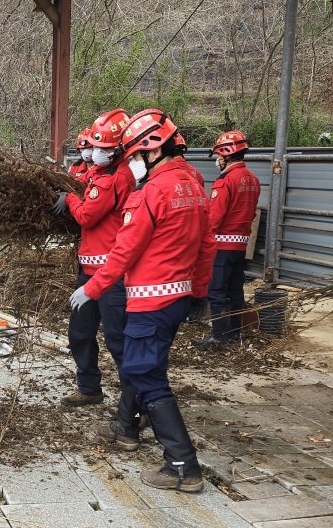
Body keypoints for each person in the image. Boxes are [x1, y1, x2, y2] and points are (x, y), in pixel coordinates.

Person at [71, 109, 215, 492]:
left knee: (144, 374)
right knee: (144, 370)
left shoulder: (151, 193)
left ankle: (182, 465)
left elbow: (124, 251)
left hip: (150, 301)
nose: (131, 163)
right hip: (177, 299)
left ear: (153, 151)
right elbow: (207, 246)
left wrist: (92, 289)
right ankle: (130, 429)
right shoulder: (195, 186)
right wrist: (199, 292)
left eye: (133, 156)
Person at [51, 109, 134, 407]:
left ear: (119, 150)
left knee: (118, 340)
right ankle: (89, 388)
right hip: (89, 269)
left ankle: (134, 405)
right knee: (80, 332)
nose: (95, 153)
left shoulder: (114, 179)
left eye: (103, 149)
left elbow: (87, 215)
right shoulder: (105, 173)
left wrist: (69, 198)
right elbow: (88, 181)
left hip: (110, 275)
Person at [196, 130, 260, 346]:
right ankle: (235, 332)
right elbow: (251, 214)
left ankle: (219, 336)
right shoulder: (252, 180)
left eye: (219, 156)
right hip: (240, 246)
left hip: (221, 245)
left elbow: (214, 217)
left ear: (226, 154)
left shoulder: (225, 182)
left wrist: (200, 242)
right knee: (235, 291)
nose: (217, 160)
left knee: (216, 292)